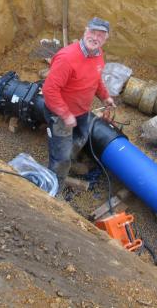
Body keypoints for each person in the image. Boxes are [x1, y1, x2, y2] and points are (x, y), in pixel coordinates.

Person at [42, 17, 116, 188]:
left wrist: (105, 97)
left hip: (81, 111)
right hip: (60, 115)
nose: (95, 37)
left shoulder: (98, 54)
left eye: (100, 35)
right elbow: (49, 90)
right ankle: (53, 187)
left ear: (106, 39)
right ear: (85, 31)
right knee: (60, 156)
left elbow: (96, 80)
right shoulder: (67, 58)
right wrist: (65, 114)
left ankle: (69, 161)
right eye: (92, 32)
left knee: (81, 137)